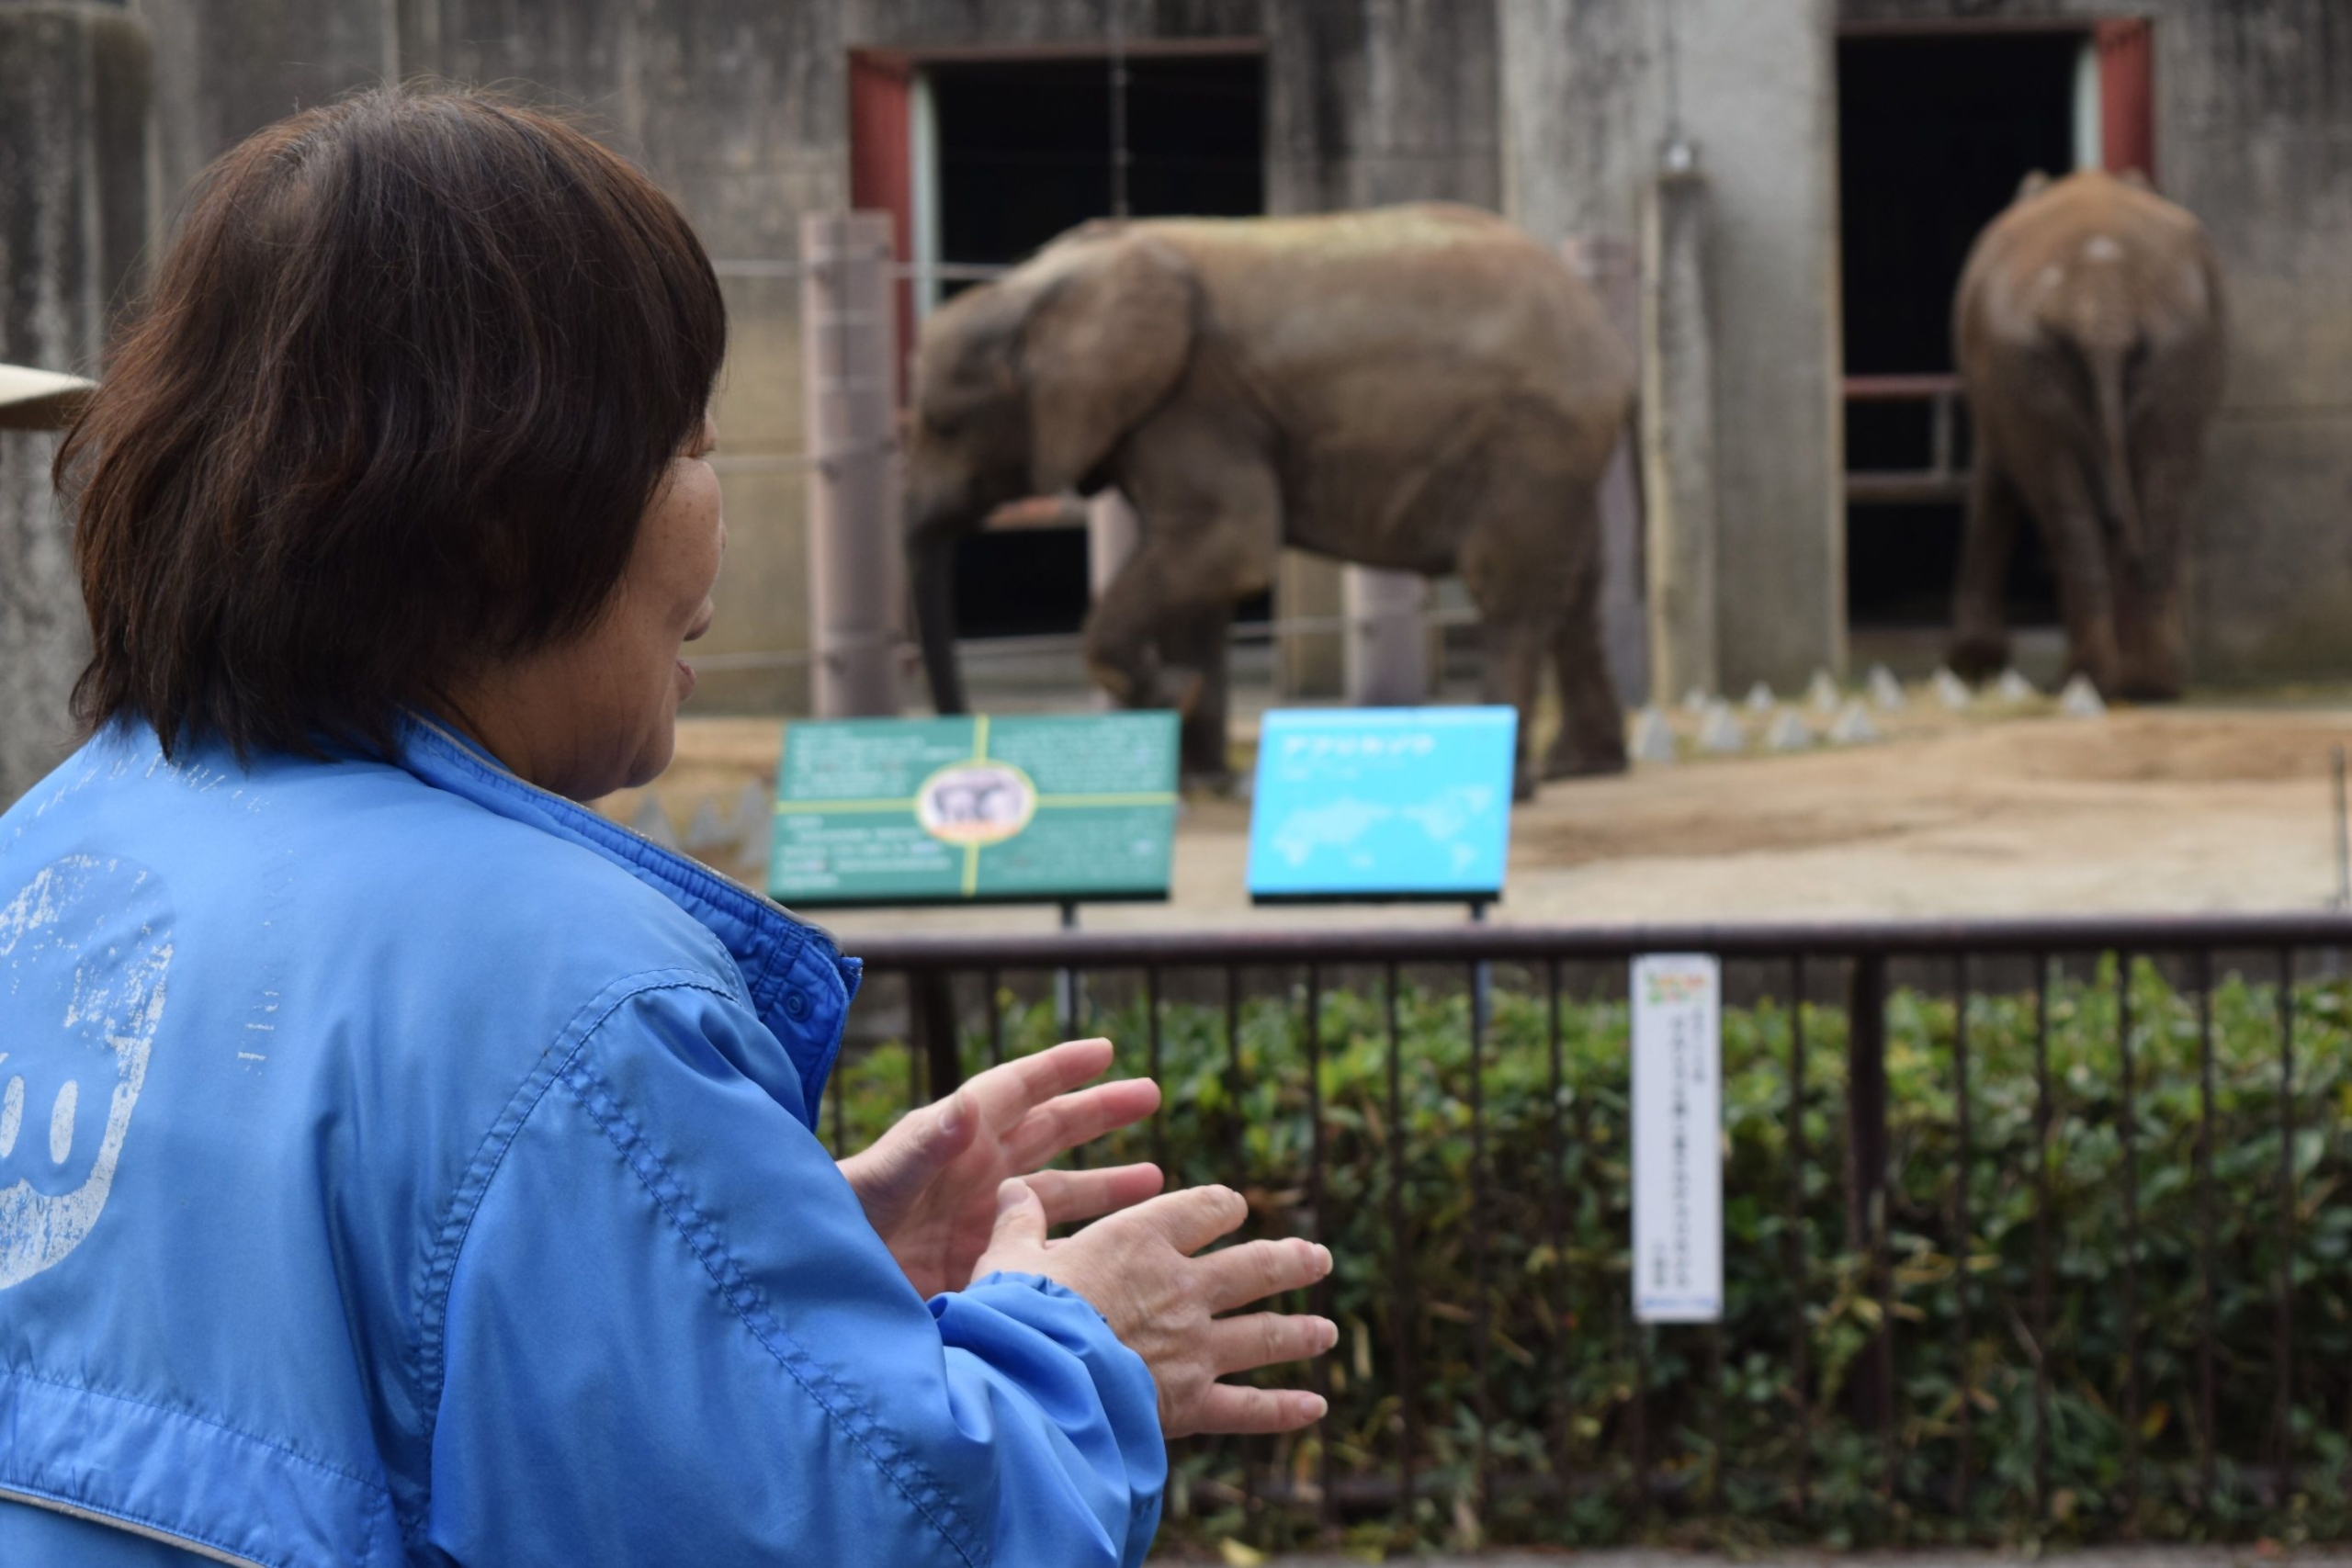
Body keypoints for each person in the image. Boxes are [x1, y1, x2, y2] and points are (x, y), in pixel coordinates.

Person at [0, 86, 1333, 1566]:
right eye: (692, 442)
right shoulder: (569, 996)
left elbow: (305, 1340)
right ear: (511, 502)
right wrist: (1080, 1354)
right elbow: (885, 1538)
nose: (719, 512)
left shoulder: (59, 851)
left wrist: (752, 1261)